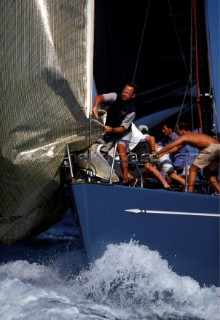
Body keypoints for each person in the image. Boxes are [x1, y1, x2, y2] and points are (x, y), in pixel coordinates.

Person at [92, 83, 137, 184]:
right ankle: (102, 174)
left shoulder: (132, 110)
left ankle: (125, 178)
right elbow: (100, 97)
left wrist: (111, 130)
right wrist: (95, 106)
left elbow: (122, 129)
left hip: (123, 131)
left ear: (133, 96)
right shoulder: (115, 96)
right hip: (110, 129)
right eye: (124, 91)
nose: (124, 94)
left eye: (128, 93)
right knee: (101, 152)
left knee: (121, 148)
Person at [156, 122, 220, 193]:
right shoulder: (193, 136)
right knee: (207, 173)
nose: (177, 134)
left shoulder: (185, 136)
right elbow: (177, 148)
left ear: (183, 130)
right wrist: (164, 152)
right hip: (217, 147)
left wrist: (157, 153)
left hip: (211, 148)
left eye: (178, 131)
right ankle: (219, 190)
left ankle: (190, 192)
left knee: (192, 169)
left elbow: (171, 145)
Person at [129, 124, 171, 189]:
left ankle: (165, 183)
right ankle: (138, 180)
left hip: (147, 151)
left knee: (148, 166)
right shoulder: (144, 137)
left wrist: (153, 151)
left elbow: (151, 137)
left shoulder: (142, 136)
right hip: (156, 153)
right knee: (147, 169)